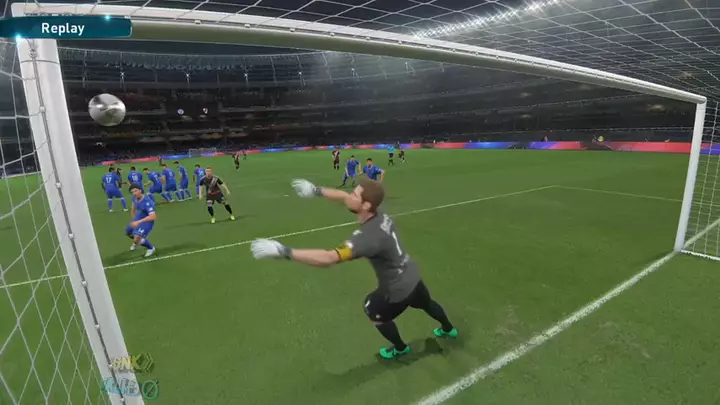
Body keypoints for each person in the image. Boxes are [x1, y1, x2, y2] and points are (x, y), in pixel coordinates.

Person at [251, 179, 458, 359]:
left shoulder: (368, 237)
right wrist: (316, 190)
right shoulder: (379, 214)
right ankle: (449, 329)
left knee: (373, 310)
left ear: (366, 205)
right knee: (426, 303)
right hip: (412, 274)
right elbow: (344, 197)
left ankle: (400, 348)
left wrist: (285, 252)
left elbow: (329, 258)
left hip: (397, 289)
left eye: (354, 195)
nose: (348, 196)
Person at [125, 185, 156, 257]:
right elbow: (133, 209)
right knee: (128, 232)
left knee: (137, 239)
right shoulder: (134, 198)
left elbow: (153, 216)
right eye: (132, 192)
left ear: (140, 190)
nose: (134, 193)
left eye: (135, 191)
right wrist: (134, 220)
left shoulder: (147, 202)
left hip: (147, 221)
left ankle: (151, 248)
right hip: (138, 218)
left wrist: (138, 222)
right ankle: (137, 241)